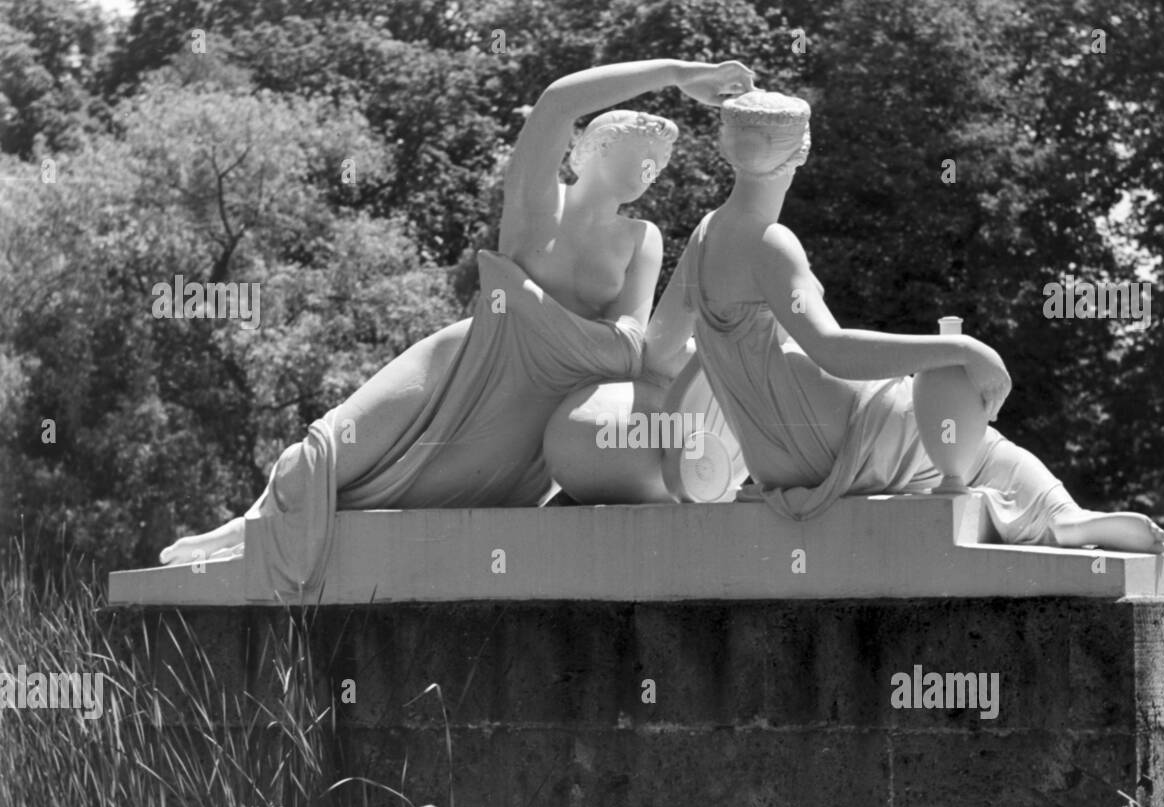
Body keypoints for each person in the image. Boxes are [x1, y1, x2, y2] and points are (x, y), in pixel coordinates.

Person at [158, 59, 757, 592]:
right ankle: (246, 533)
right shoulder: (535, 206)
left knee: (433, 501)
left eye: (660, 165)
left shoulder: (640, 238)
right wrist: (681, 73)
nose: (651, 170)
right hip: (465, 364)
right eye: (640, 156)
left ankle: (257, 540)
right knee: (325, 454)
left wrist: (526, 302)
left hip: (533, 411)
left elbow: (628, 343)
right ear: (592, 150)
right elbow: (557, 102)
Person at [640, 90, 1164, 552]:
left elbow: (661, 347)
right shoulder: (771, 242)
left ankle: (1055, 517)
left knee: (951, 435)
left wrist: (733, 373)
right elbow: (832, 348)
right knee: (975, 434)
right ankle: (1062, 516)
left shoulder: (708, 233)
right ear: (799, 153)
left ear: (726, 146)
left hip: (776, 459)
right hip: (838, 439)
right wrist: (962, 350)